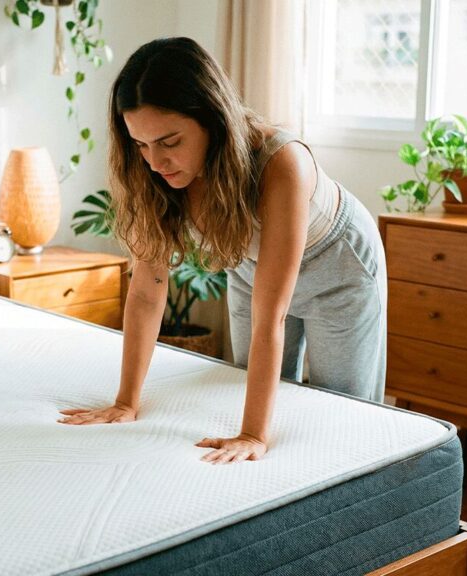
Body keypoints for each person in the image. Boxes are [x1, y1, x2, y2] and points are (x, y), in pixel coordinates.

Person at [58, 37, 387, 465]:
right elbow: (145, 293)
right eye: (141, 144)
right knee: (250, 381)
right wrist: (125, 402)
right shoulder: (153, 176)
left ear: (213, 120)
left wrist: (252, 435)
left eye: (169, 141)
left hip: (338, 266)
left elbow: (274, 317)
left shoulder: (282, 163)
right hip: (252, 268)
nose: (155, 162)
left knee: (342, 413)